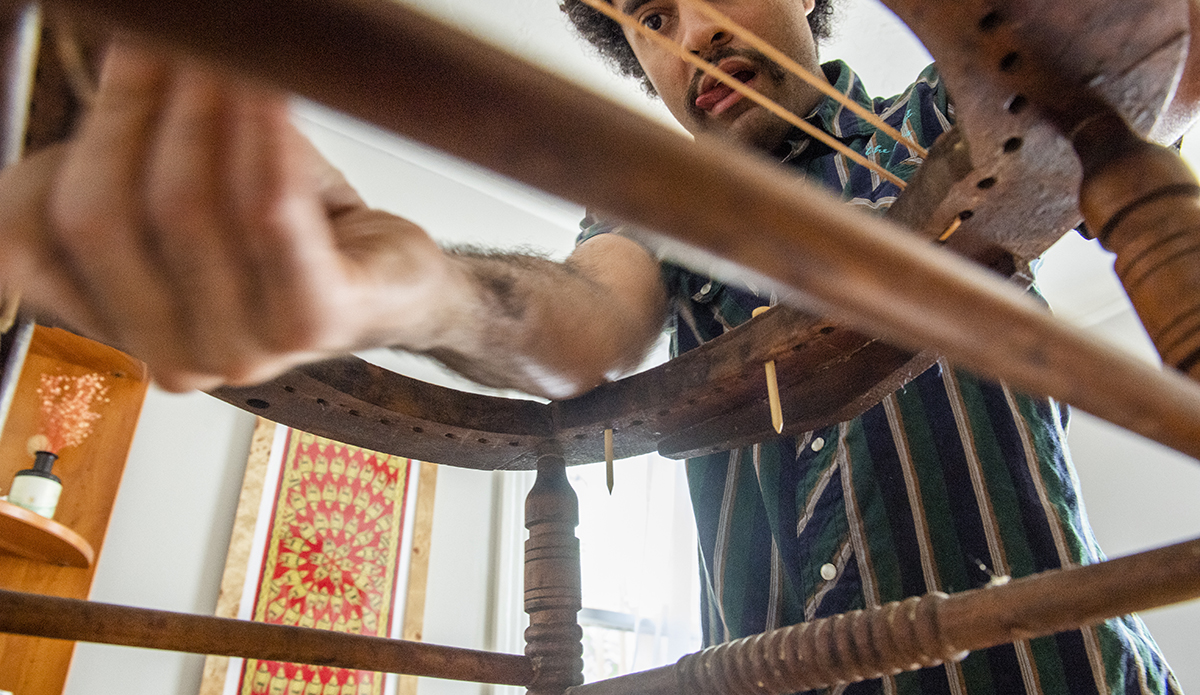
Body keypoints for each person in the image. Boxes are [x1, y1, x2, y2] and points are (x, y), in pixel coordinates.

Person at [0, 0, 1195, 691]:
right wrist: (405, 284)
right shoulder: (646, 216)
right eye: (654, 21)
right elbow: (578, 323)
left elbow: (1153, 51)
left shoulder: (949, 117)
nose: (689, 38)